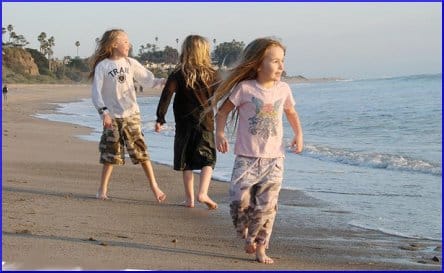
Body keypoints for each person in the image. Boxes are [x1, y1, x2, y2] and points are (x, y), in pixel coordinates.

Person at [212, 37, 303, 264]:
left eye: (282, 61)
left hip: (274, 160)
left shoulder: (284, 89)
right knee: (238, 202)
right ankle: (246, 234)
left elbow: (291, 112)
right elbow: (222, 112)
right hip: (246, 158)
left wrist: (298, 134)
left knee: (267, 208)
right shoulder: (245, 88)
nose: (281, 66)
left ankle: (260, 248)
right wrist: (220, 134)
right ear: (257, 64)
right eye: (275, 61)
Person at [90, 29, 166, 202]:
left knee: (141, 151)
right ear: (114, 44)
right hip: (112, 117)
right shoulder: (103, 66)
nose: (128, 44)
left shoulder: (130, 63)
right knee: (111, 155)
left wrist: (161, 82)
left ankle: (154, 186)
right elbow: (96, 93)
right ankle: (102, 189)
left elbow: (148, 79)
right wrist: (104, 113)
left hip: (131, 114)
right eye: (125, 41)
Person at [155, 35, 218, 210]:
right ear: (205, 52)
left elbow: (166, 95)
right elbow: (221, 95)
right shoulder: (213, 74)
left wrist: (160, 118)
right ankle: (203, 192)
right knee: (208, 159)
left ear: (186, 51)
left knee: (186, 161)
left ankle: (190, 199)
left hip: (183, 124)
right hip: (206, 123)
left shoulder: (178, 73)